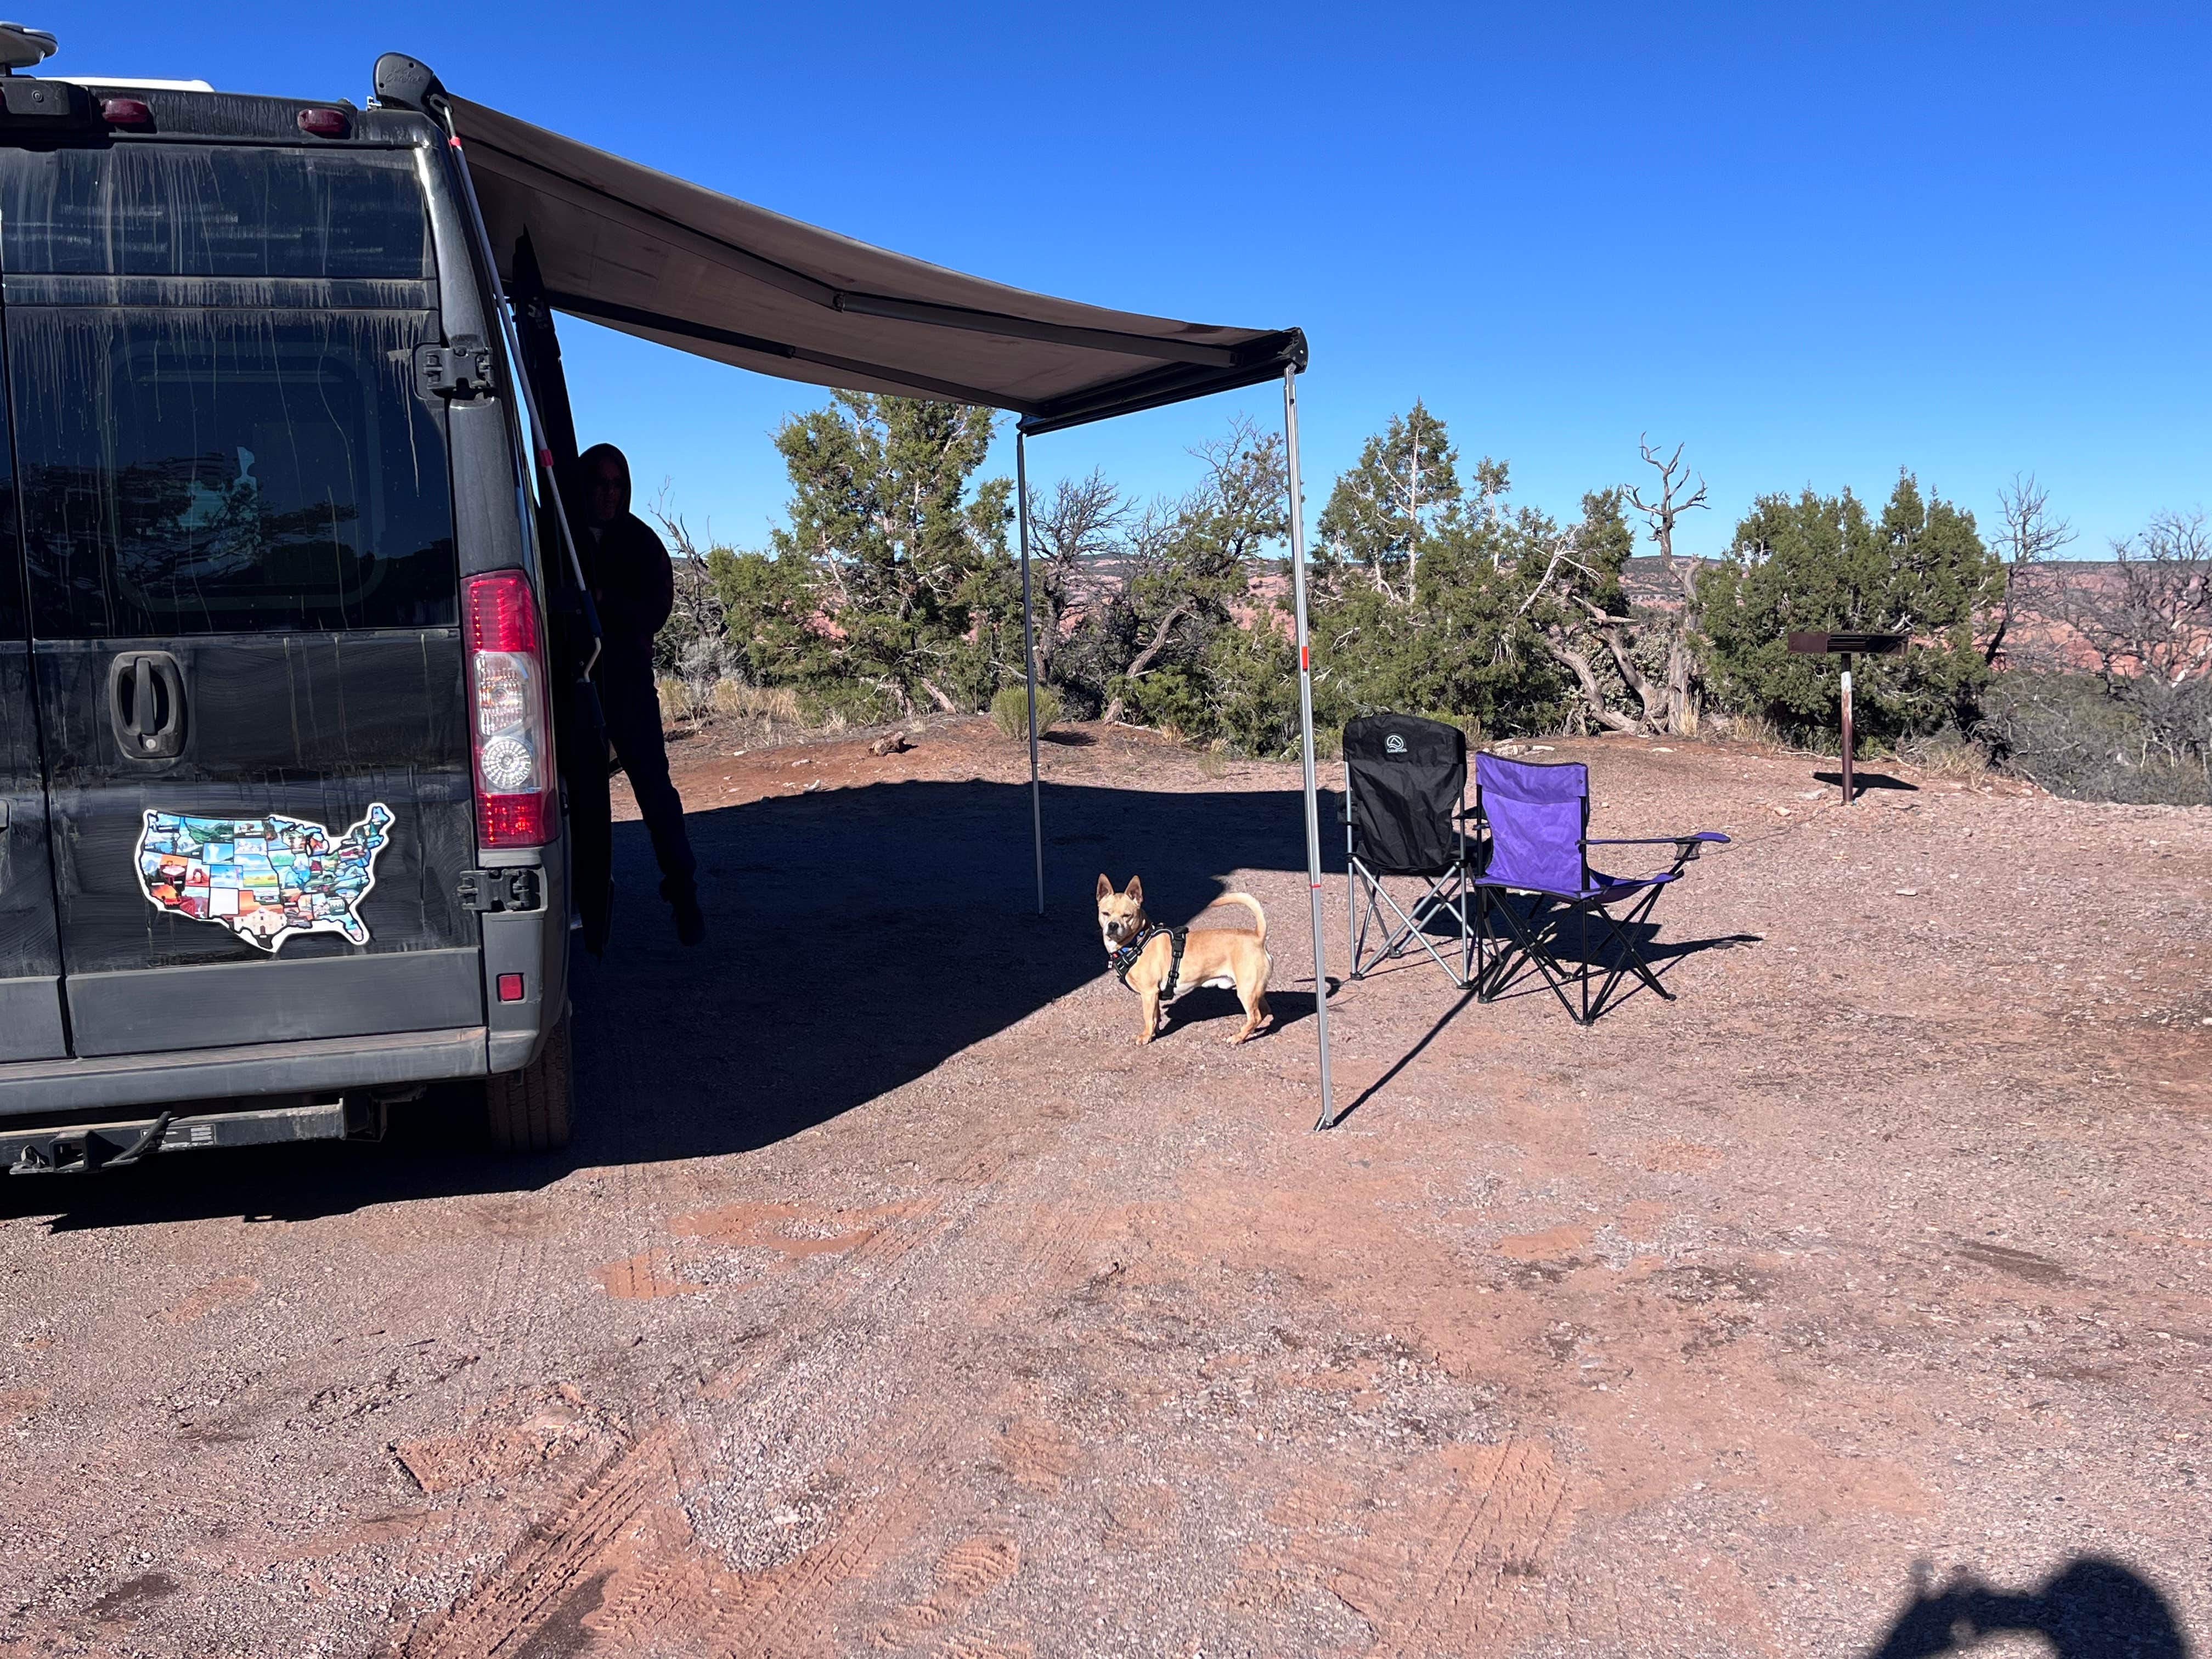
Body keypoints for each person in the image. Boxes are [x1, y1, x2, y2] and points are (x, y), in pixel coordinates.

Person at [573, 442, 705, 946]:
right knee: (581, 800)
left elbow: (656, 610)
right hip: (575, 688)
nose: (608, 494)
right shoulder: (557, 538)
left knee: (655, 792)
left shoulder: (641, 542)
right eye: (598, 484)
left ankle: (684, 893)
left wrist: (604, 603)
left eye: (616, 484)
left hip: (628, 686)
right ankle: (585, 905)